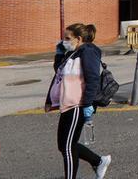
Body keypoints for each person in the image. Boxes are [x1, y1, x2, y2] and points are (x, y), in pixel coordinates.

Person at [45, 23, 111, 179]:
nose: (64, 41)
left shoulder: (88, 52)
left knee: (67, 147)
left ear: (79, 39)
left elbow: (93, 79)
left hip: (78, 104)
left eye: (67, 38)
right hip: (68, 104)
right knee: (64, 145)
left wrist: (87, 104)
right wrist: (59, 53)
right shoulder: (72, 52)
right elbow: (59, 71)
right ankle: (99, 161)